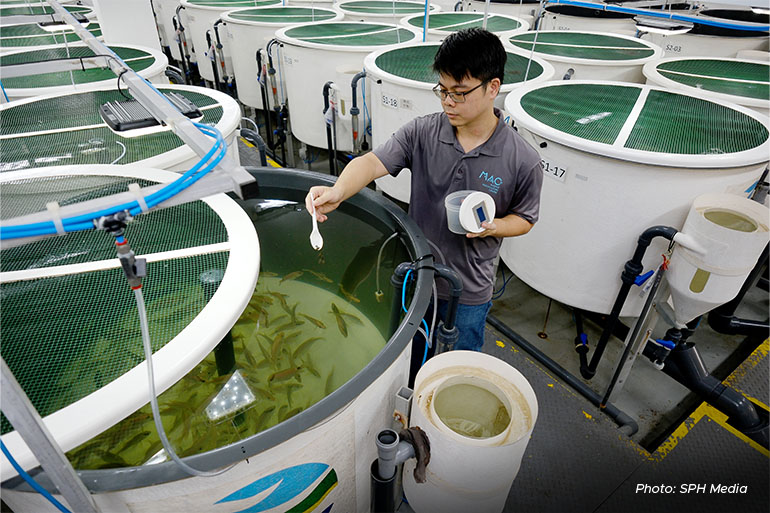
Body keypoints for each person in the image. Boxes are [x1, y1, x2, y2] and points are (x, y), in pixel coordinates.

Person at [305, 28, 543, 376]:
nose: (448, 102)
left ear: (493, 87)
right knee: (408, 358)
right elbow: (370, 163)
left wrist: (495, 227)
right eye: (443, 91)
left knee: (455, 371)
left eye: (460, 93)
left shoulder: (521, 159)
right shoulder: (423, 132)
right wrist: (338, 192)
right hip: (417, 277)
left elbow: (525, 217)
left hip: (469, 292)